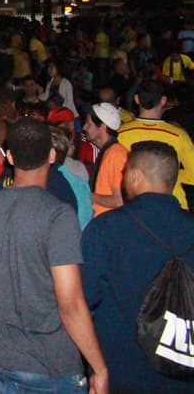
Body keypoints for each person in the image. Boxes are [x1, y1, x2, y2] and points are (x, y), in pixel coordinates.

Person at [0, 118, 108, 394]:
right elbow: (70, 303)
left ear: (10, 157)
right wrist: (99, 366)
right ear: (51, 155)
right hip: (50, 367)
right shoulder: (57, 216)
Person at [82, 141, 194, 393]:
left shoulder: (106, 229)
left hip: (123, 372)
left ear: (134, 175)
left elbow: (84, 299)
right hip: (183, 372)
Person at [117, 79, 194, 209]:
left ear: (137, 99)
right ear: (163, 101)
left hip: (133, 206)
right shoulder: (178, 135)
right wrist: (168, 173)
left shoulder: (120, 133)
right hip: (173, 204)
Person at [85, 102, 127, 215]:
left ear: (103, 126)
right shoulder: (108, 152)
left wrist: (86, 195)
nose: (84, 127)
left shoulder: (116, 155)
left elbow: (119, 201)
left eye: (89, 124)